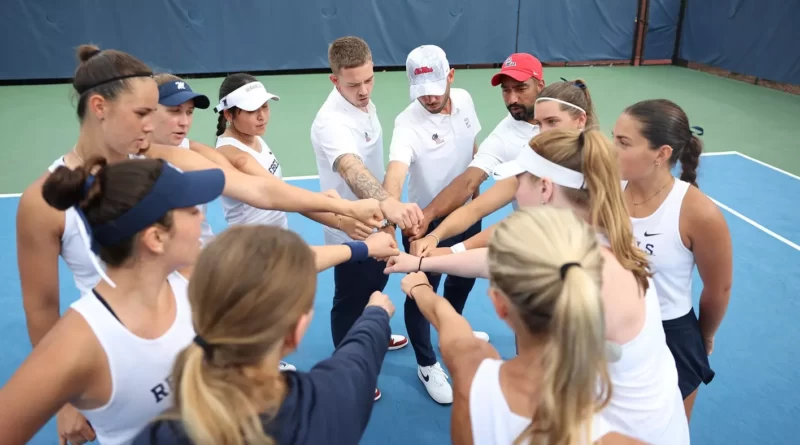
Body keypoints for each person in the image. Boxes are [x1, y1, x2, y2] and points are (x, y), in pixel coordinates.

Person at [14, 44, 385, 442]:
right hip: (122, 360)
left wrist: (348, 209)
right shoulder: (47, 211)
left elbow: (258, 189)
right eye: (143, 113)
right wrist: (64, 399)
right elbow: (42, 309)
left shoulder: (164, 161)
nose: (153, 125)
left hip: (196, 334)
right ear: (100, 107)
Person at [385, 129, 691, 444]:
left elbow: (508, 271)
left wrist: (421, 289)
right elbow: (509, 259)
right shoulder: (597, 240)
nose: (515, 192)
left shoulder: (581, 273)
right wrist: (422, 263)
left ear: (545, 188)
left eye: (520, 182)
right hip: (655, 425)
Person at [131, 225, 398, 445]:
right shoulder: (330, 403)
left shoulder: (157, 435)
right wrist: (376, 313)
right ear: (295, 334)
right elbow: (358, 356)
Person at [399, 207, 645, 445]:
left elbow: (445, 319)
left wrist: (420, 289)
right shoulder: (619, 437)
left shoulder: (471, 367)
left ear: (499, 304)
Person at [310, 36, 425, 401]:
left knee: (375, 284)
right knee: (350, 298)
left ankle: (370, 333)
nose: (363, 91)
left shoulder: (363, 103)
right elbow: (351, 169)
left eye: (369, 80)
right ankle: (350, 369)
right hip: (351, 231)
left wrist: (386, 217)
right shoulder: (330, 122)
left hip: (377, 222)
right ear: (334, 81)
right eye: (353, 84)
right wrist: (389, 205)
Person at [613, 99, 732, 420]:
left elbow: (718, 289)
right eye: (614, 138)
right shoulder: (606, 190)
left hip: (669, 338)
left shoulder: (699, 213)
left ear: (661, 153)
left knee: (664, 430)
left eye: (623, 142)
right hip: (605, 328)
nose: (612, 149)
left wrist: (704, 335)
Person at [382, 44, 488, 404]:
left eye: (434, 89)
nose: (428, 98)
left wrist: (476, 201)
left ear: (451, 76)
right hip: (424, 224)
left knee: (464, 278)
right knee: (420, 290)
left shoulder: (465, 99)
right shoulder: (407, 123)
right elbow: (395, 172)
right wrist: (392, 211)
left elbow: (473, 148)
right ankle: (426, 363)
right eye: (420, 91)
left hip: (467, 213)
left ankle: (450, 329)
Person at [410, 78, 597, 257]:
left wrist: (452, 252)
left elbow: (522, 226)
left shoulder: (599, 172)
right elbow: (476, 210)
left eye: (552, 122)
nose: (543, 132)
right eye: (539, 124)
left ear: (580, 120)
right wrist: (435, 238)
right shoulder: (531, 164)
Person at [405, 52, 545, 249]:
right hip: (537, 241)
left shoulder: (567, 115)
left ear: (540, 85)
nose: (512, 99)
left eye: (521, 88)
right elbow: (469, 182)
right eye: (506, 90)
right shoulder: (503, 137)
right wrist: (428, 220)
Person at [150, 73, 215, 245]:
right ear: (149, 110)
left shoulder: (198, 152)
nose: (184, 122)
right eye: (175, 111)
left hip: (202, 256)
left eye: (189, 112)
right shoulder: (124, 158)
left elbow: (257, 189)